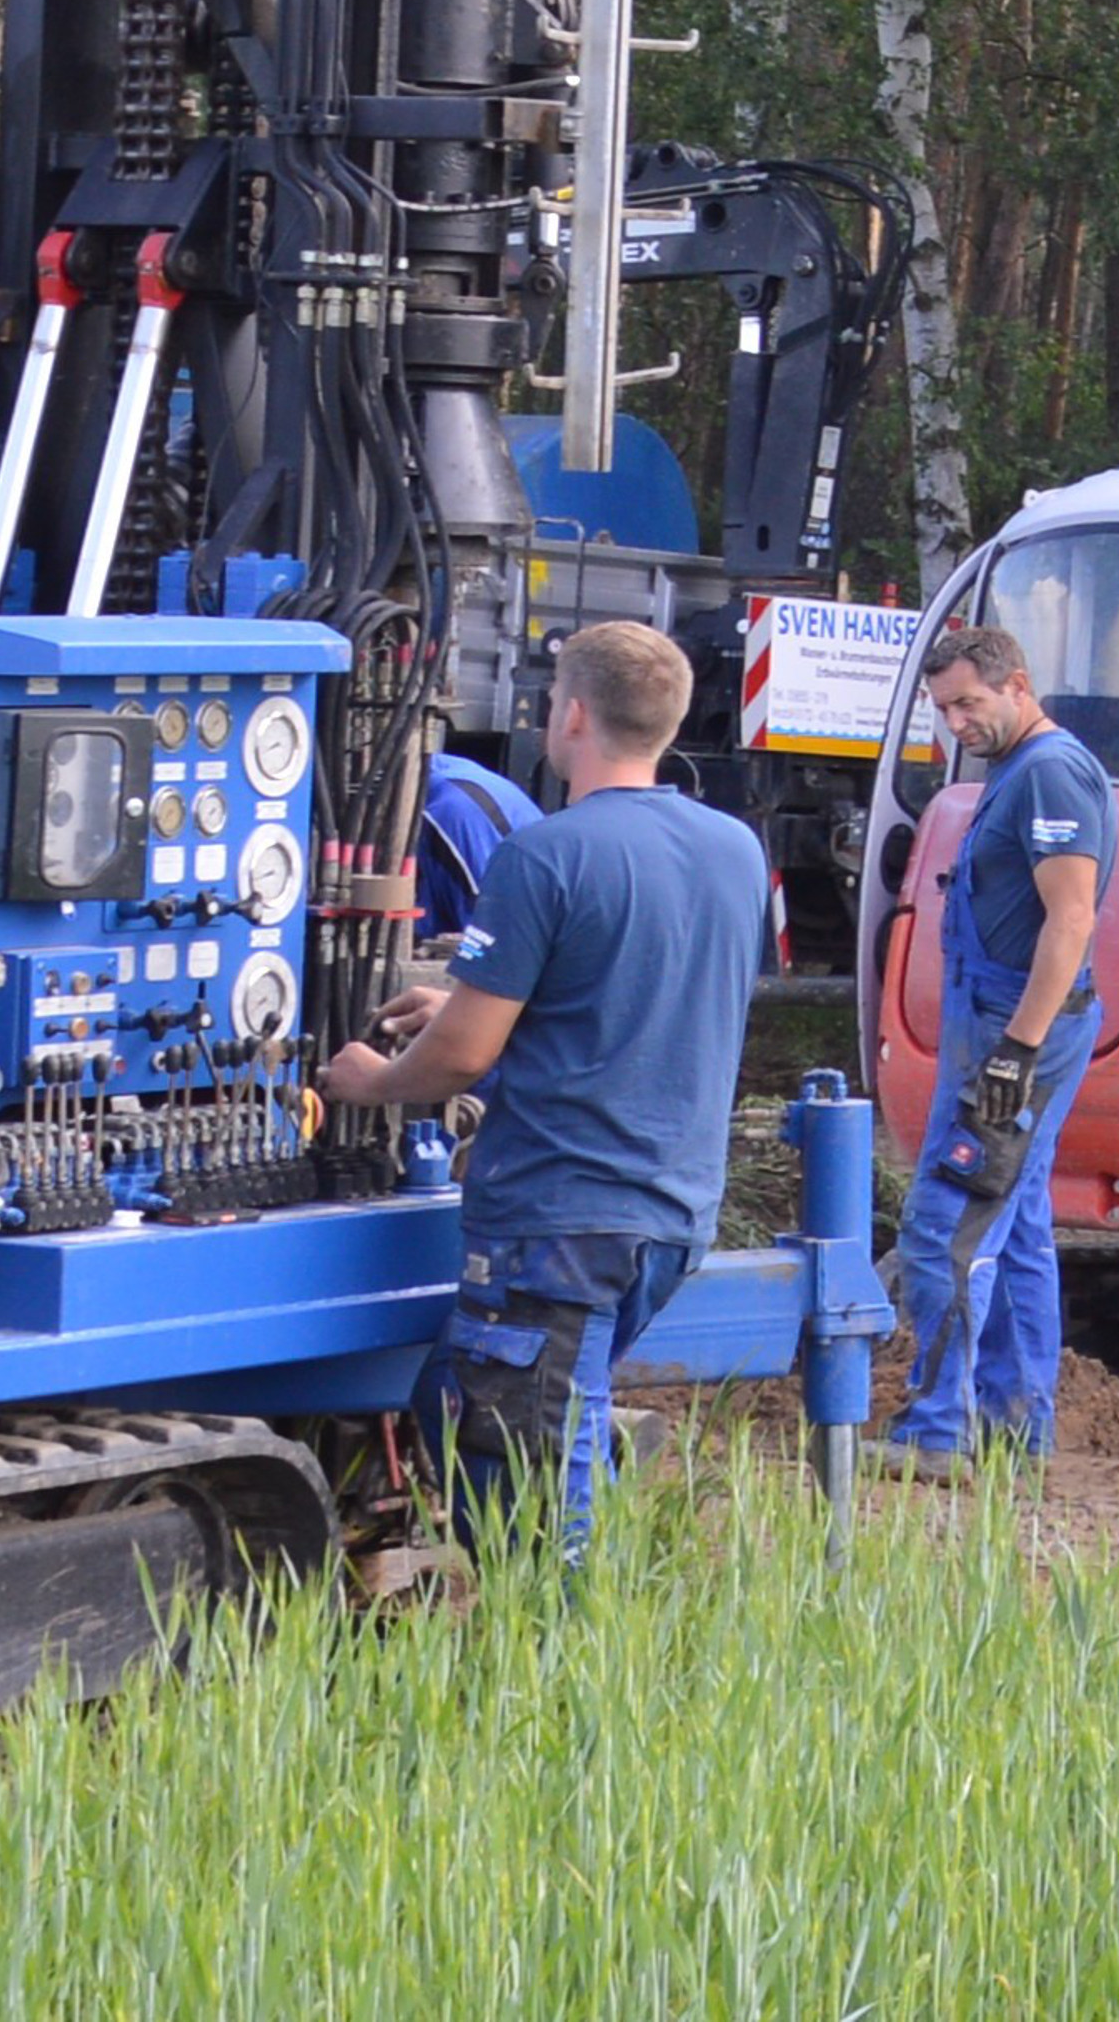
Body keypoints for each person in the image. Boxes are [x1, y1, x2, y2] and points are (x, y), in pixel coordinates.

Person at [312, 613, 768, 1561]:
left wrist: (369, 1082)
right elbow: (629, 979)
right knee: (465, 1398)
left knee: (521, 1487)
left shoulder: (546, 854)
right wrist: (459, 993)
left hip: (557, 1224)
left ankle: (555, 1664)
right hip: (671, 1215)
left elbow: (463, 1059)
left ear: (568, 717)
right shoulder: (734, 850)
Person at [880, 614, 1109, 1465]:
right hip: (1001, 1021)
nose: (957, 724)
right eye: (944, 710)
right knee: (1018, 1230)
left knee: (946, 1226)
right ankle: (1017, 1425)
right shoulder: (1022, 768)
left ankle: (937, 1431)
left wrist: (1018, 1046)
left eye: (969, 703)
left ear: (1018, 686)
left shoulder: (1049, 775)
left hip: (1016, 1030)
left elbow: (1072, 917)